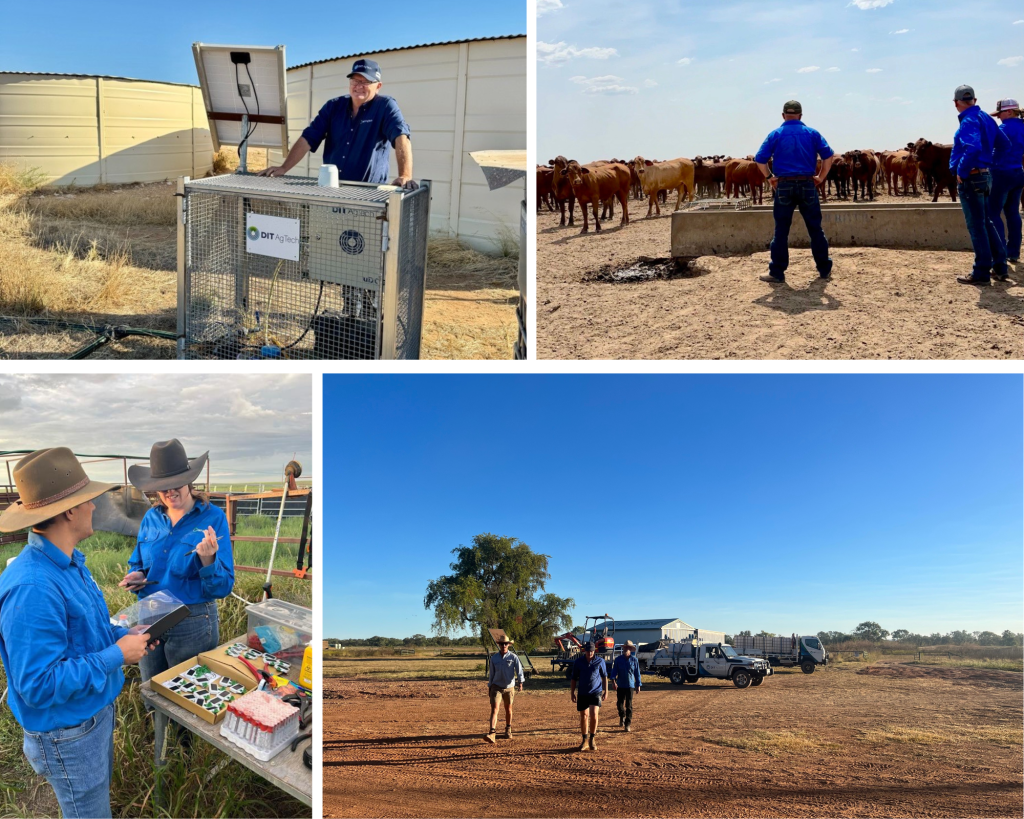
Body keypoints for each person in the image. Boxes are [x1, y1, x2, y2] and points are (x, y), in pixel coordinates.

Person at [0, 448, 154, 819]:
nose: (95, 506)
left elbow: (83, 632)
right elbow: (37, 685)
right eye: (89, 500)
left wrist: (122, 633)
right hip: (68, 734)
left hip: (87, 718)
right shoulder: (34, 586)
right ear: (70, 510)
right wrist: (118, 655)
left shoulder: (68, 564)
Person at [119, 439, 234, 689]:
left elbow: (223, 587)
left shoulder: (213, 517)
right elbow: (138, 560)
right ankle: (159, 727)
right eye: (162, 487)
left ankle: (180, 731)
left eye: (175, 485)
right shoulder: (151, 517)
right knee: (151, 685)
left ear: (189, 481)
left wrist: (208, 560)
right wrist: (137, 575)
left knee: (188, 691)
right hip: (150, 613)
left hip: (191, 618)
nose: (170, 492)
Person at [258, 58, 416, 188]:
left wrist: (405, 175)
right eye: (355, 80)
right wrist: (284, 168)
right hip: (333, 190)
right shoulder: (333, 106)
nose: (358, 86)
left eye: (366, 82)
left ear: (378, 86)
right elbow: (308, 138)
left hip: (369, 195)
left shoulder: (385, 106)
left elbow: (401, 136)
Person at [754, 100, 835, 284]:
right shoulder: (812, 133)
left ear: (783, 115)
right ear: (800, 115)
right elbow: (828, 156)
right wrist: (820, 177)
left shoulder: (775, 134)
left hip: (784, 185)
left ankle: (777, 272)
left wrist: (770, 178)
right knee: (815, 228)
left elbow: (760, 160)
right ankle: (824, 269)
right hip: (808, 184)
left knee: (781, 230)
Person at [950, 84, 1009, 284]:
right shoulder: (986, 118)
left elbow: (973, 148)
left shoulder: (968, 120)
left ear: (956, 103)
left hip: (971, 178)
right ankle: (1000, 266)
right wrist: (988, 164)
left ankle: (981, 272)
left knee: (976, 226)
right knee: (986, 222)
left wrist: (962, 170)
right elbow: (1004, 145)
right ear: (974, 100)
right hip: (984, 176)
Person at [987, 98, 1024, 267]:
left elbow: (992, 151)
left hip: (1001, 173)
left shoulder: (1002, 129)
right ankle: (1014, 252)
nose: (998, 117)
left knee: (993, 214)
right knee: (1013, 212)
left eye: (1000, 113)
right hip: (1018, 172)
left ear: (1009, 112)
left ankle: (999, 254)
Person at [484, 636, 524, 743]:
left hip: (509, 687)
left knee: (508, 709)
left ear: (509, 645)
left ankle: (508, 729)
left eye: (506, 644)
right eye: (502, 644)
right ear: (499, 645)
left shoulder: (513, 657)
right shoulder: (494, 658)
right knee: (494, 709)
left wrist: (520, 682)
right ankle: (492, 733)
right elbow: (491, 673)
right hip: (496, 686)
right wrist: (490, 685)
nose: (504, 646)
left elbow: (519, 670)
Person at [570, 641, 608, 751]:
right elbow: (573, 678)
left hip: (596, 691)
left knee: (594, 714)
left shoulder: (600, 661)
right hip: (582, 692)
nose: (589, 653)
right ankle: (584, 740)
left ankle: (592, 738)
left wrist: (606, 691)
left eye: (591, 651)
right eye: (587, 651)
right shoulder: (578, 662)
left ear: (594, 650)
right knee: (584, 716)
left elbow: (604, 676)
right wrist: (572, 692)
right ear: (584, 651)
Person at [610, 641, 642, 732]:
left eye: (627, 648)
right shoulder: (618, 660)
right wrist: (613, 682)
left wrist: (638, 685)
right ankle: (622, 716)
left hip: (630, 686)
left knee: (629, 705)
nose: (625, 649)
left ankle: (627, 724)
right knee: (619, 704)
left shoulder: (634, 660)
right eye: (624, 648)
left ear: (630, 649)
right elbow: (614, 672)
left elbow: (637, 673)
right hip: (620, 684)